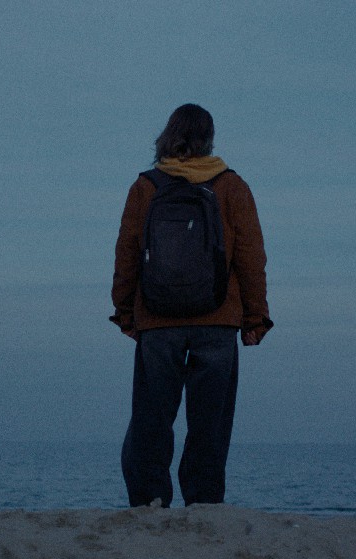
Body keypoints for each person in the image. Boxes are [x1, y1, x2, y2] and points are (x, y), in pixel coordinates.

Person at [110, 104, 273, 507]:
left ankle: (149, 502)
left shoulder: (145, 187)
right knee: (210, 423)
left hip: (157, 320)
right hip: (218, 320)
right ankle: (203, 504)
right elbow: (251, 258)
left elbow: (127, 254)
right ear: (209, 139)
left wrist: (125, 313)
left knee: (152, 417)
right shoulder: (232, 187)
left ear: (168, 135)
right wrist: (255, 318)